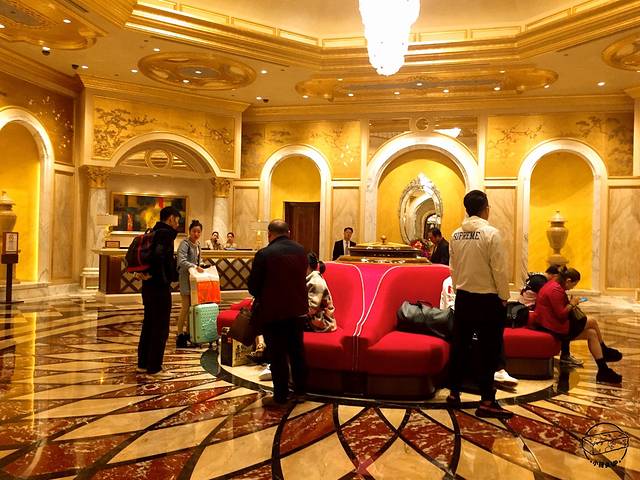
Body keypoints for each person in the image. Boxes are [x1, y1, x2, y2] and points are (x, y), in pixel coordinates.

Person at [447, 190, 513, 418]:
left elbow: (453, 268)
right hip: (488, 300)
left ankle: (453, 393)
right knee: (489, 350)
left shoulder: (456, 235)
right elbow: (499, 269)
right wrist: (504, 296)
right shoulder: (491, 234)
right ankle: (486, 401)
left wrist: (459, 289)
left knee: (459, 346)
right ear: (485, 209)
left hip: (464, 298)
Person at [248, 219, 308, 406]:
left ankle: (280, 396)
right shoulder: (301, 251)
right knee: (297, 352)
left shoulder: (264, 254)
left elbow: (253, 287)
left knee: (278, 354)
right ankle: (301, 392)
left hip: (274, 313)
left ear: (269, 234)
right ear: (288, 233)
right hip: (298, 311)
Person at [533, 266, 622, 384]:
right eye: (573, 285)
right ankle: (604, 351)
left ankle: (603, 370)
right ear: (568, 280)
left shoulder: (554, 284)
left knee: (592, 334)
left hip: (552, 323)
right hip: (552, 327)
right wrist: (572, 303)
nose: (572, 288)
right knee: (592, 321)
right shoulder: (555, 290)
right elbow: (561, 314)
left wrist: (570, 303)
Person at [440, 276, 518, 388]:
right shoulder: (457, 282)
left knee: (490, 330)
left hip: (458, 317)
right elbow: (453, 307)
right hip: (453, 318)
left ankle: (497, 371)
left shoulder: (462, 281)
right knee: (488, 330)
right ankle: (494, 373)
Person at [136, 206, 180, 377]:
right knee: (160, 327)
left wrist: (147, 273)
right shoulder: (166, 234)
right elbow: (159, 257)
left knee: (148, 324)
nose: (177, 225)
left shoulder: (152, 232)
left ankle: (143, 364)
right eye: (177, 221)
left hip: (148, 286)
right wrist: (168, 275)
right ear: (171, 219)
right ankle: (154, 367)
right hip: (159, 287)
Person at [176, 220, 204, 348]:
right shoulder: (185, 244)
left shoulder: (198, 245)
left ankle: (189, 333)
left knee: (192, 308)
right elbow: (181, 261)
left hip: (194, 279)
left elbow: (198, 260)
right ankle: (179, 334)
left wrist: (201, 266)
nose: (196, 234)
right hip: (185, 278)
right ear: (189, 231)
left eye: (199, 232)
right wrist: (194, 266)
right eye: (194, 231)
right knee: (185, 307)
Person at [306, 254, 337, 332]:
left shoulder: (316, 282)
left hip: (322, 322)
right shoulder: (309, 279)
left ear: (307, 266)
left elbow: (311, 309)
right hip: (313, 317)